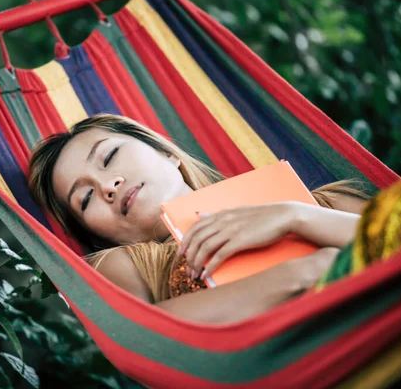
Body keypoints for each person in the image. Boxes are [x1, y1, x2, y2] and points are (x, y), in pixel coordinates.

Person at [28, 114, 368, 324]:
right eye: (85, 199)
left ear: (166, 152)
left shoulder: (320, 202)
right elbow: (155, 338)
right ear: (99, 234)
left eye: (110, 156)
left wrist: (294, 216)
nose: (107, 185)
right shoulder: (126, 264)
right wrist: (311, 268)